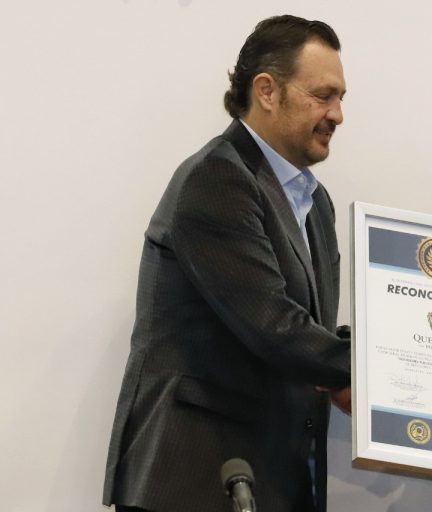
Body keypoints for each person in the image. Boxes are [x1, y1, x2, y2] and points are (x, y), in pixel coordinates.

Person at [102, 15, 351, 512]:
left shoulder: (315, 203)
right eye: (323, 96)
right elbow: (273, 326)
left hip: (270, 483)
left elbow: (308, 330)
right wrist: (377, 368)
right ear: (267, 91)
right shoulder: (217, 179)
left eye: (341, 98)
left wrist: (366, 350)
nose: (338, 115)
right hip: (194, 482)